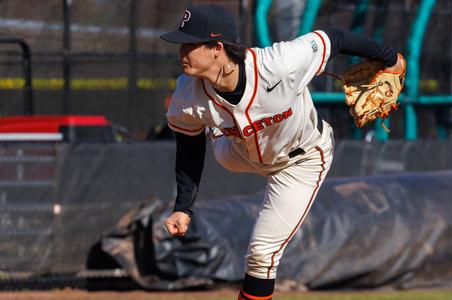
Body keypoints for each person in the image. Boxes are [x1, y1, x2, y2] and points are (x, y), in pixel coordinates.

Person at [161, 4, 404, 300]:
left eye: (190, 43)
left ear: (217, 48)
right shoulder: (187, 94)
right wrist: (183, 207)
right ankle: (220, 126)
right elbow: (189, 149)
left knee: (262, 256)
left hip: (300, 161)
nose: (181, 50)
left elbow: (334, 37)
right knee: (208, 131)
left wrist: (391, 60)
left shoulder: (279, 63)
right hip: (234, 152)